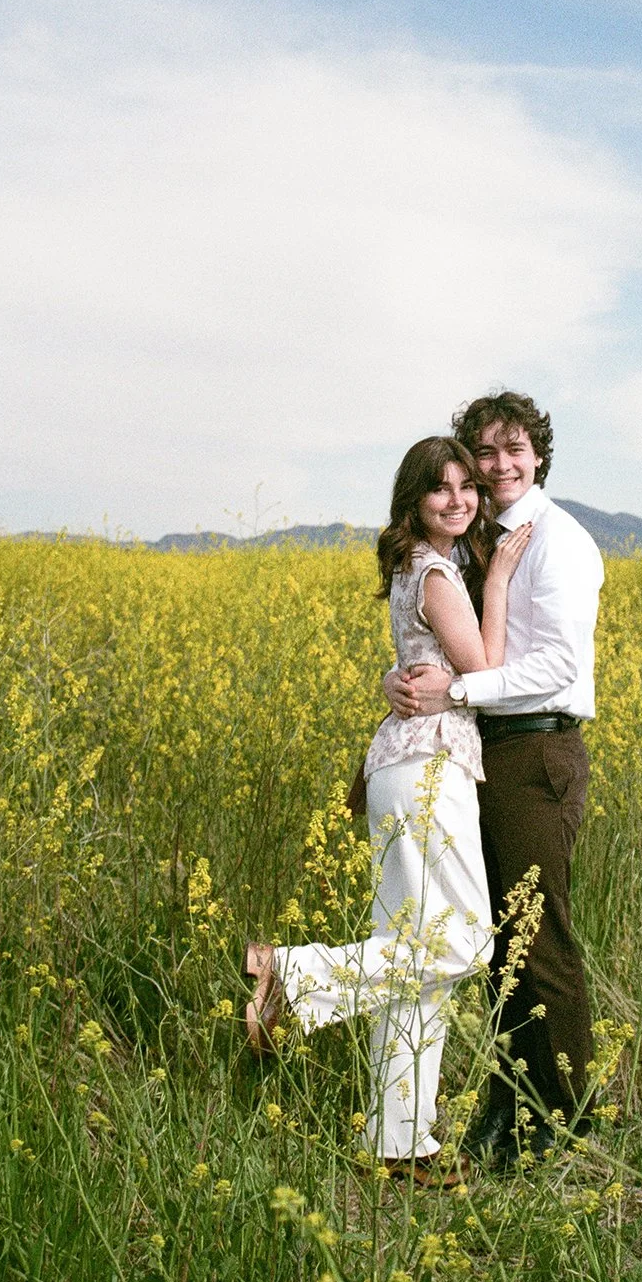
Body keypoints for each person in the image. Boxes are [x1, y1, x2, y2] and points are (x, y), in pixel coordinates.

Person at [241, 436, 531, 1183]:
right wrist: (497, 578)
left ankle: (399, 1142)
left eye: (468, 486)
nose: (461, 500)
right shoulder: (438, 571)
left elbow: (418, 661)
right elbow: (487, 670)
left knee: (414, 959)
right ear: (414, 499)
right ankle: (293, 974)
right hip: (429, 767)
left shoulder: (412, 566)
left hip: (402, 764)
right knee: (463, 943)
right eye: (443, 489)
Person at [385, 391, 604, 1165]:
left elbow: (559, 667)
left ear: (538, 454)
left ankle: (569, 1119)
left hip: (535, 748)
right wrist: (403, 679)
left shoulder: (557, 542)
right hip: (487, 751)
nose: (500, 465)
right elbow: (448, 634)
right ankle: (512, 1111)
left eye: (514, 449)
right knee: (498, 943)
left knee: (538, 937)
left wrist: (460, 690)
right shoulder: (486, 542)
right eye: (485, 453)